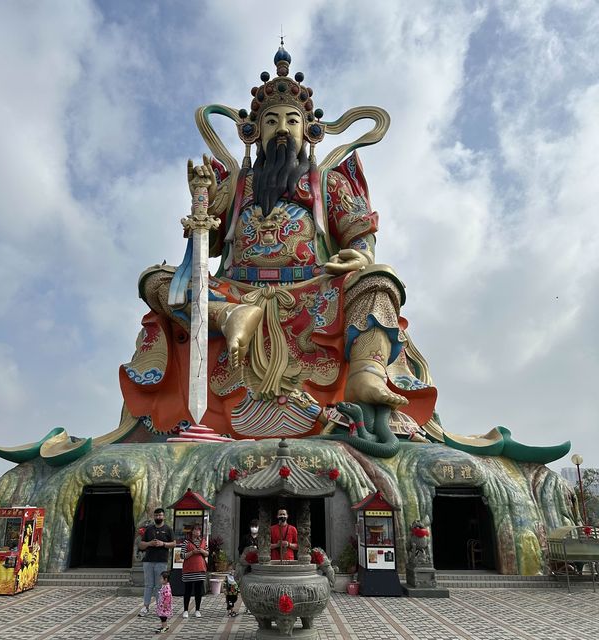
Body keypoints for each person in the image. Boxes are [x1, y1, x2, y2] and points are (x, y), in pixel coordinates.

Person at [122, 42, 439, 443]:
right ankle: (224, 317)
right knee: (158, 278)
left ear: (308, 130)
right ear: (255, 133)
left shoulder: (328, 182)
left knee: (380, 279)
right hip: (237, 294)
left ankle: (366, 373)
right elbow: (209, 245)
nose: (282, 129)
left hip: (313, 291)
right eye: (272, 122)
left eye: (292, 121)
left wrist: (359, 257)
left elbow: (361, 235)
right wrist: (202, 198)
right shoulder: (237, 185)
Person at [138, 508, 174, 618]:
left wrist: (163, 544)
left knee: (159, 586)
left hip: (161, 561)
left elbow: (174, 544)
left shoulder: (168, 529)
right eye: (156, 515)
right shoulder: (149, 529)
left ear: (164, 517)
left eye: (160, 515)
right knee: (148, 585)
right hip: (148, 561)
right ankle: (146, 607)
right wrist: (150, 543)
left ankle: (160, 608)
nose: (158, 517)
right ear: (154, 516)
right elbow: (141, 545)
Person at [181, 522, 208, 619]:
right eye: (196, 529)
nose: (198, 531)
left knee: (198, 591)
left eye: (199, 530)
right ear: (192, 531)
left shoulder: (203, 541)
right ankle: (185, 610)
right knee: (187, 591)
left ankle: (197, 610)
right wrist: (192, 552)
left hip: (200, 569)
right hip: (189, 570)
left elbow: (207, 553)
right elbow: (182, 555)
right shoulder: (186, 542)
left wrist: (202, 551)